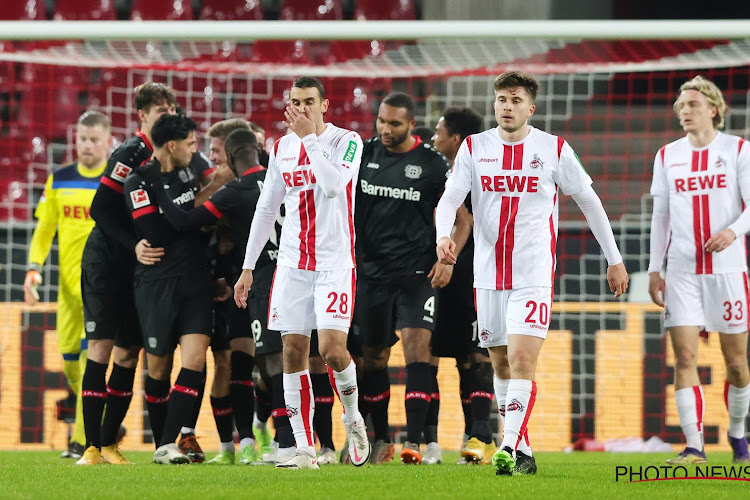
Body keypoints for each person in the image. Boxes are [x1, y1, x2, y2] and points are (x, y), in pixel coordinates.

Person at [435, 71, 628, 476]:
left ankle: (505, 446)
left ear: (531, 108)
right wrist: (443, 236)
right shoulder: (474, 147)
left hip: (532, 275)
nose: (507, 106)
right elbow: (450, 197)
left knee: (523, 360)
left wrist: (614, 258)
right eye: (501, 99)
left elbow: (590, 203)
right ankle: (522, 448)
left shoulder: (553, 148)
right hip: (487, 275)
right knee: (500, 365)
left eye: (516, 99)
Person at [235, 76, 370, 470]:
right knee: (291, 352)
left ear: (324, 105)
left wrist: (310, 139)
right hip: (292, 265)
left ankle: (353, 418)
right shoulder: (280, 148)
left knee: (330, 350)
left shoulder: (347, 142)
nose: (302, 109)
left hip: (334, 264)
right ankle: (304, 448)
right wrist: (247, 266)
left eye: (309, 101)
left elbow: (333, 186)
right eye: (295, 102)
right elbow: (266, 209)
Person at [143, 127, 282, 466]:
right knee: (242, 362)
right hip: (251, 282)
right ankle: (249, 442)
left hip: (255, 282)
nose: (213, 158)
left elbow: (186, 221)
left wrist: (160, 190)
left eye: (218, 152)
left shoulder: (235, 189)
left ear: (234, 156)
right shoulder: (277, 180)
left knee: (269, 364)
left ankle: (280, 436)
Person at [351, 92, 470, 465]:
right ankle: (381, 440)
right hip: (370, 274)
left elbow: (462, 218)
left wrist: (448, 260)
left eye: (395, 124)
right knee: (373, 359)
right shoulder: (363, 155)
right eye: (382, 121)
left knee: (419, 352)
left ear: (411, 125)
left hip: (416, 273)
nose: (386, 130)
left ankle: (416, 444)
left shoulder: (432, 164)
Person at [648, 75, 750, 465]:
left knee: (737, 363)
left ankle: (738, 431)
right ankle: (694, 447)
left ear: (713, 108)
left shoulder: (738, 150)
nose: (683, 111)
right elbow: (660, 217)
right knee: (685, 357)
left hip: (727, 270)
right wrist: (656, 268)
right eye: (680, 106)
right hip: (682, 271)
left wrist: (731, 231)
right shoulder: (667, 155)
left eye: (691, 105)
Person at [123, 114, 215, 464]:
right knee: (158, 369)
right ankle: (162, 444)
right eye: (191, 143)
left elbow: (212, 207)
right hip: (156, 284)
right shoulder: (137, 180)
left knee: (194, 360)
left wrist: (192, 217)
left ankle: (166, 445)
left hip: (195, 280)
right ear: (172, 146)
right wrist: (193, 217)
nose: (196, 149)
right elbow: (155, 234)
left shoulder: (194, 167)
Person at [23, 111, 113, 460]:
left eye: (94, 139)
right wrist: (33, 270)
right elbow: (44, 231)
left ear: (107, 141)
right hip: (65, 289)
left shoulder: (113, 181)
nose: (87, 145)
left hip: (100, 287)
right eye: (82, 139)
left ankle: (81, 438)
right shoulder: (58, 180)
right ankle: (100, 423)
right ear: (75, 139)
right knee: (69, 360)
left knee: (93, 359)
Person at [431, 107, 498, 465]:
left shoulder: (480, 166)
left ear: (455, 138)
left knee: (477, 354)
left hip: (475, 270)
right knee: (460, 356)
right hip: (454, 271)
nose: (433, 137)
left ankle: (483, 435)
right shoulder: (447, 169)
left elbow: (468, 219)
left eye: (439, 131)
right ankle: (474, 433)